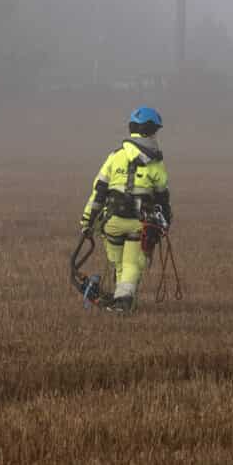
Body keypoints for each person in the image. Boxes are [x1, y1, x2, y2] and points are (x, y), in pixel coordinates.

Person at [79, 105, 170, 314]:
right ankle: (123, 303)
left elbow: (98, 192)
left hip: (111, 223)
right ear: (151, 131)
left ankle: (120, 298)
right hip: (139, 224)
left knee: (120, 264)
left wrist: (87, 221)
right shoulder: (156, 163)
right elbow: (163, 198)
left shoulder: (114, 156)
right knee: (132, 265)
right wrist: (166, 220)